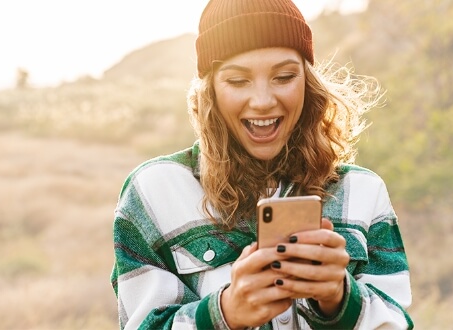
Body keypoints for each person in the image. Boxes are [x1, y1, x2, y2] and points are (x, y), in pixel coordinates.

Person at [110, 0, 413, 328]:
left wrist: (340, 299)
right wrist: (225, 312)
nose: (264, 101)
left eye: (284, 76)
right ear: (209, 90)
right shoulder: (153, 192)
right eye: (238, 81)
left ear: (308, 83)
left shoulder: (363, 192)